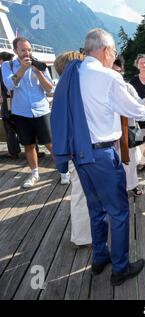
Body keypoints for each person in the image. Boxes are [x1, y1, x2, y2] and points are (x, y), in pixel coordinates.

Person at [51, 29, 145, 286]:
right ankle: (120, 268)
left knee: (95, 208)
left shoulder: (73, 73)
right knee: (119, 211)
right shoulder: (108, 76)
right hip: (102, 154)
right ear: (105, 50)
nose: (114, 56)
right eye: (113, 52)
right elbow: (130, 108)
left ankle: (100, 257)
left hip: (80, 153)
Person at [1, 37, 70, 188]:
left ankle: (64, 171)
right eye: (23, 50)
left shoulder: (40, 65)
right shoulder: (8, 65)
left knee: (51, 143)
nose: (27, 53)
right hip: (21, 113)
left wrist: (38, 73)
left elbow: (50, 89)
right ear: (15, 51)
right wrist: (23, 69)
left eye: (29, 50)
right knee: (29, 145)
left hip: (41, 110)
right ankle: (34, 174)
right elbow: (9, 85)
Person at [53, 50, 91, 247]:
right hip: (79, 151)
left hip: (73, 149)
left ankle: (85, 233)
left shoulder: (63, 89)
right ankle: (82, 236)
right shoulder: (73, 92)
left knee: (81, 192)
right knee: (81, 193)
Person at [112, 57, 145, 196]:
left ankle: (132, 185)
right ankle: (115, 188)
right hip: (108, 132)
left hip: (126, 130)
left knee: (129, 160)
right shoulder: (100, 88)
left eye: (119, 71)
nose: (116, 74)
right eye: (113, 71)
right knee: (112, 161)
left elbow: (138, 105)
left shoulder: (127, 87)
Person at [0, 51, 21, 159]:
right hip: (20, 102)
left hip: (7, 104)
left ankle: (13, 152)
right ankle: (33, 150)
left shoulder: (2, 69)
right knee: (25, 126)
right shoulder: (17, 67)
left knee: (10, 129)